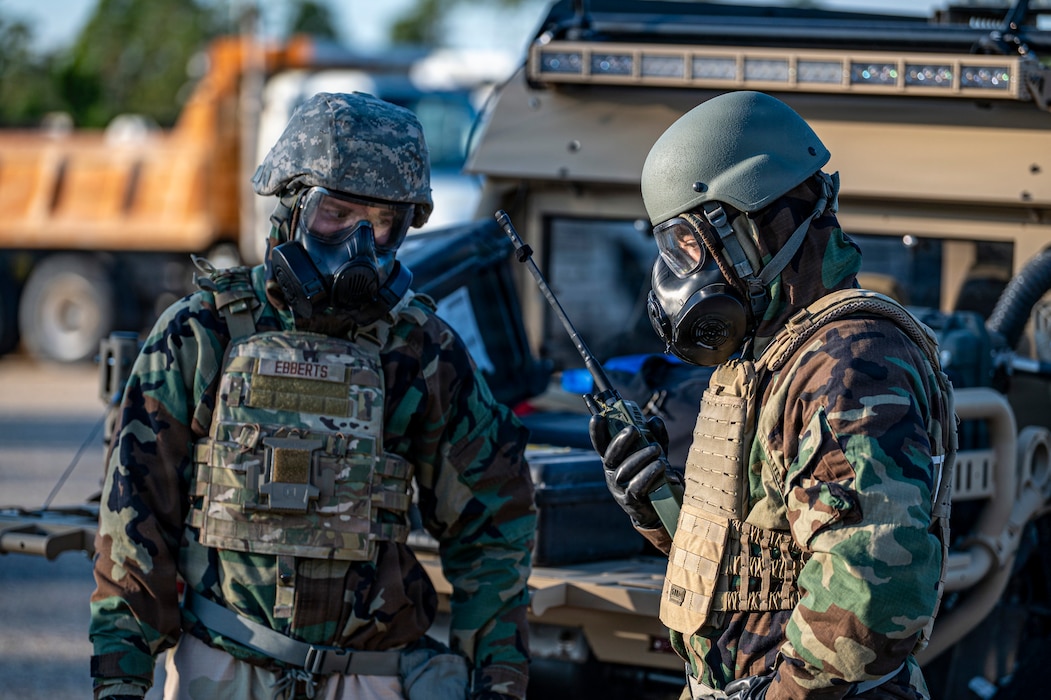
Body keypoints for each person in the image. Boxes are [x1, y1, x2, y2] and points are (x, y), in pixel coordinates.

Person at [90, 92, 537, 700]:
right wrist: (120, 683)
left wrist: (497, 682)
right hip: (224, 665)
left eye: (380, 223)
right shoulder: (202, 334)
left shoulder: (421, 351)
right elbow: (132, 526)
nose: (357, 243)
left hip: (370, 676)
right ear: (293, 205)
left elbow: (493, 524)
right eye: (337, 212)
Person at [589, 91, 956, 699]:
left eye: (689, 243)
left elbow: (875, 588)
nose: (682, 272)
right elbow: (756, 564)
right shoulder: (774, 355)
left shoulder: (850, 363)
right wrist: (656, 500)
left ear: (755, 222)